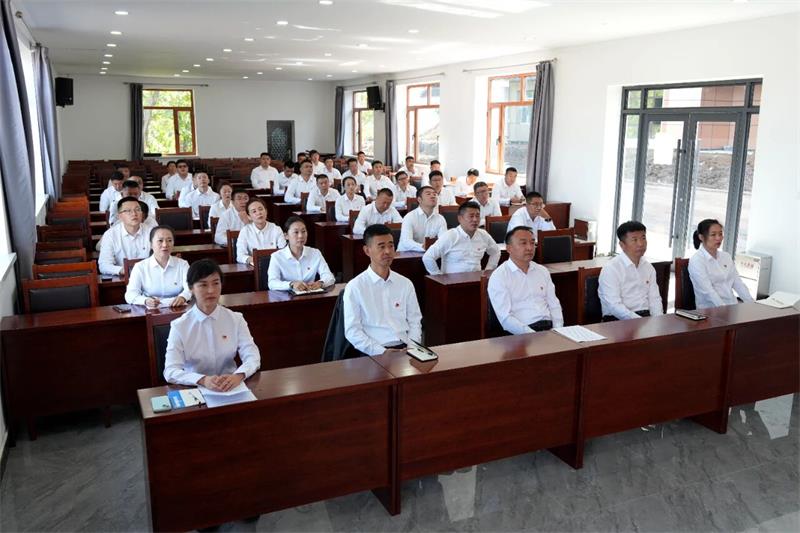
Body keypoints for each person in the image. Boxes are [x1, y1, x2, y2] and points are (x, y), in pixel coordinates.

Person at [163, 259, 261, 390]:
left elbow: (252, 356)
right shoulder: (180, 326)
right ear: (191, 288)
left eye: (216, 283)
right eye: (203, 285)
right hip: (195, 388)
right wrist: (203, 380)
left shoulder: (236, 319)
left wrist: (239, 375)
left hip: (231, 386)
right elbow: (170, 371)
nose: (211, 290)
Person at [343, 224, 422, 356]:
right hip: (372, 350)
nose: (388, 251)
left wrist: (412, 348)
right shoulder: (355, 287)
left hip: (405, 348)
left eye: (391, 246)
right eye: (381, 246)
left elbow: (415, 321)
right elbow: (353, 331)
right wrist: (381, 352)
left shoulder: (405, 283)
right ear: (367, 251)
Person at [488, 226, 564, 334]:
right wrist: (532, 335)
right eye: (523, 243)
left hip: (549, 330)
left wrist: (558, 330)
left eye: (532, 243)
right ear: (509, 248)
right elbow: (505, 318)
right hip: (521, 333)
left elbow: (554, 305)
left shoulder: (542, 271)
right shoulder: (499, 276)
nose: (529, 248)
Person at [598, 220, 664, 320]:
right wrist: (640, 321)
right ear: (622, 245)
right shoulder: (611, 268)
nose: (641, 244)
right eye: (635, 240)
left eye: (643, 238)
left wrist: (658, 321)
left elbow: (655, 299)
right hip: (617, 319)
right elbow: (614, 306)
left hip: (645, 317)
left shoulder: (648, 267)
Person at [688, 218, 753, 308]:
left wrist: (752, 303)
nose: (718, 238)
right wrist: (724, 309)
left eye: (720, 234)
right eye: (713, 235)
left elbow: (738, 283)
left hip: (731, 306)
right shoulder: (697, 261)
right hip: (710, 310)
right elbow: (708, 292)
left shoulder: (726, 256)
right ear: (701, 237)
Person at [423, 201, 500, 275]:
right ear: (460, 218)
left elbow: (496, 252)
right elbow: (428, 257)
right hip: (452, 282)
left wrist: (487, 272)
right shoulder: (450, 236)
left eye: (477, 216)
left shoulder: (483, 235)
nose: (475, 220)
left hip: (477, 281)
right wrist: (439, 277)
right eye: (471, 216)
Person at [124, 225, 191, 308]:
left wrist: (183, 297)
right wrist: (145, 301)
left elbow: (190, 288)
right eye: (160, 240)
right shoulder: (140, 267)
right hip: (150, 310)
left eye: (169, 240)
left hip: (177, 308)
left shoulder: (183, 264)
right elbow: (130, 295)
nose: (165, 245)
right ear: (151, 244)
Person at [267, 216, 335, 291]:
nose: (301, 236)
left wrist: (321, 283)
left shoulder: (315, 253)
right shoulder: (276, 257)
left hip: (310, 295)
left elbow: (329, 276)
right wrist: (291, 284)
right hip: (286, 296)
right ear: (286, 236)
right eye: (296, 232)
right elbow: (272, 283)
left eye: (303, 231)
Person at [98, 196, 152, 276]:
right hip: (123, 277)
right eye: (128, 211)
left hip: (149, 276)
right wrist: (125, 270)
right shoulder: (110, 235)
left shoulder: (152, 232)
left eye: (137, 210)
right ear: (120, 216)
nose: (134, 214)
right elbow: (104, 265)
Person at [236, 198, 287, 265]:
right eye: (254, 211)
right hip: (255, 266)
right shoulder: (245, 231)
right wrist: (256, 260)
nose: (259, 213)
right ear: (249, 216)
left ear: (266, 211)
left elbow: (284, 251)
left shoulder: (276, 229)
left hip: (275, 265)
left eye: (260, 209)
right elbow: (240, 256)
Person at [397, 186, 447, 252]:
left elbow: (443, 241)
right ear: (419, 200)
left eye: (434, 194)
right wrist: (424, 247)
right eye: (428, 194)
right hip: (406, 254)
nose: (433, 196)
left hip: (430, 253)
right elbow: (406, 242)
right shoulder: (409, 217)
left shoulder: (440, 218)